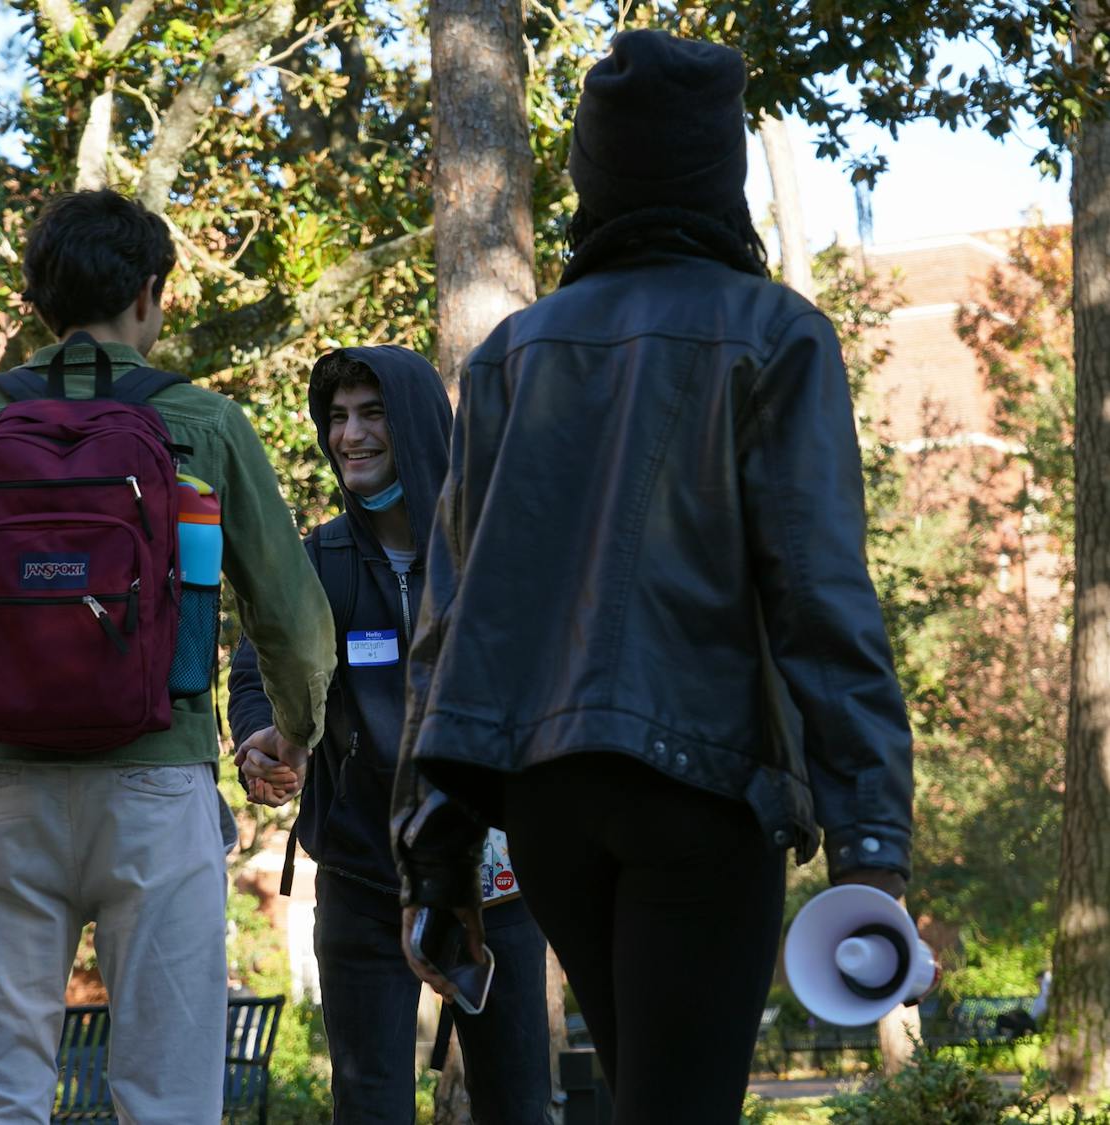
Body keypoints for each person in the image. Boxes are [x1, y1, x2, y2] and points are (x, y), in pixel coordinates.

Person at [390, 30, 915, 1124]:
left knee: (645, 1094)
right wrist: (870, 840)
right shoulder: (774, 335)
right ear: (719, 171)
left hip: (546, 801)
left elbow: (448, 618)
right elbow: (820, 594)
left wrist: (433, 849)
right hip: (700, 785)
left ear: (593, 175)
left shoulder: (512, 357)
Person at [0, 189, 335, 1124]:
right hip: (158, 786)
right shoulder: (206, 424)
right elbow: (294, 620)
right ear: (151, 296)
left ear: (35, 303)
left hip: (0, 794)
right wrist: (296, 731)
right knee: (168, 1096)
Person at [227, 347, 552, 1125]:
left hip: (496, 880)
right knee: (369, 1105)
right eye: (337, 417)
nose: (351, 435)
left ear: (412, 420)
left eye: (372, 413)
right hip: (362, 878)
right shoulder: (318, 560)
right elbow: (253, 674)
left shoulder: (494, 552)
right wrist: (258, 741)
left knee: (518, 1105)